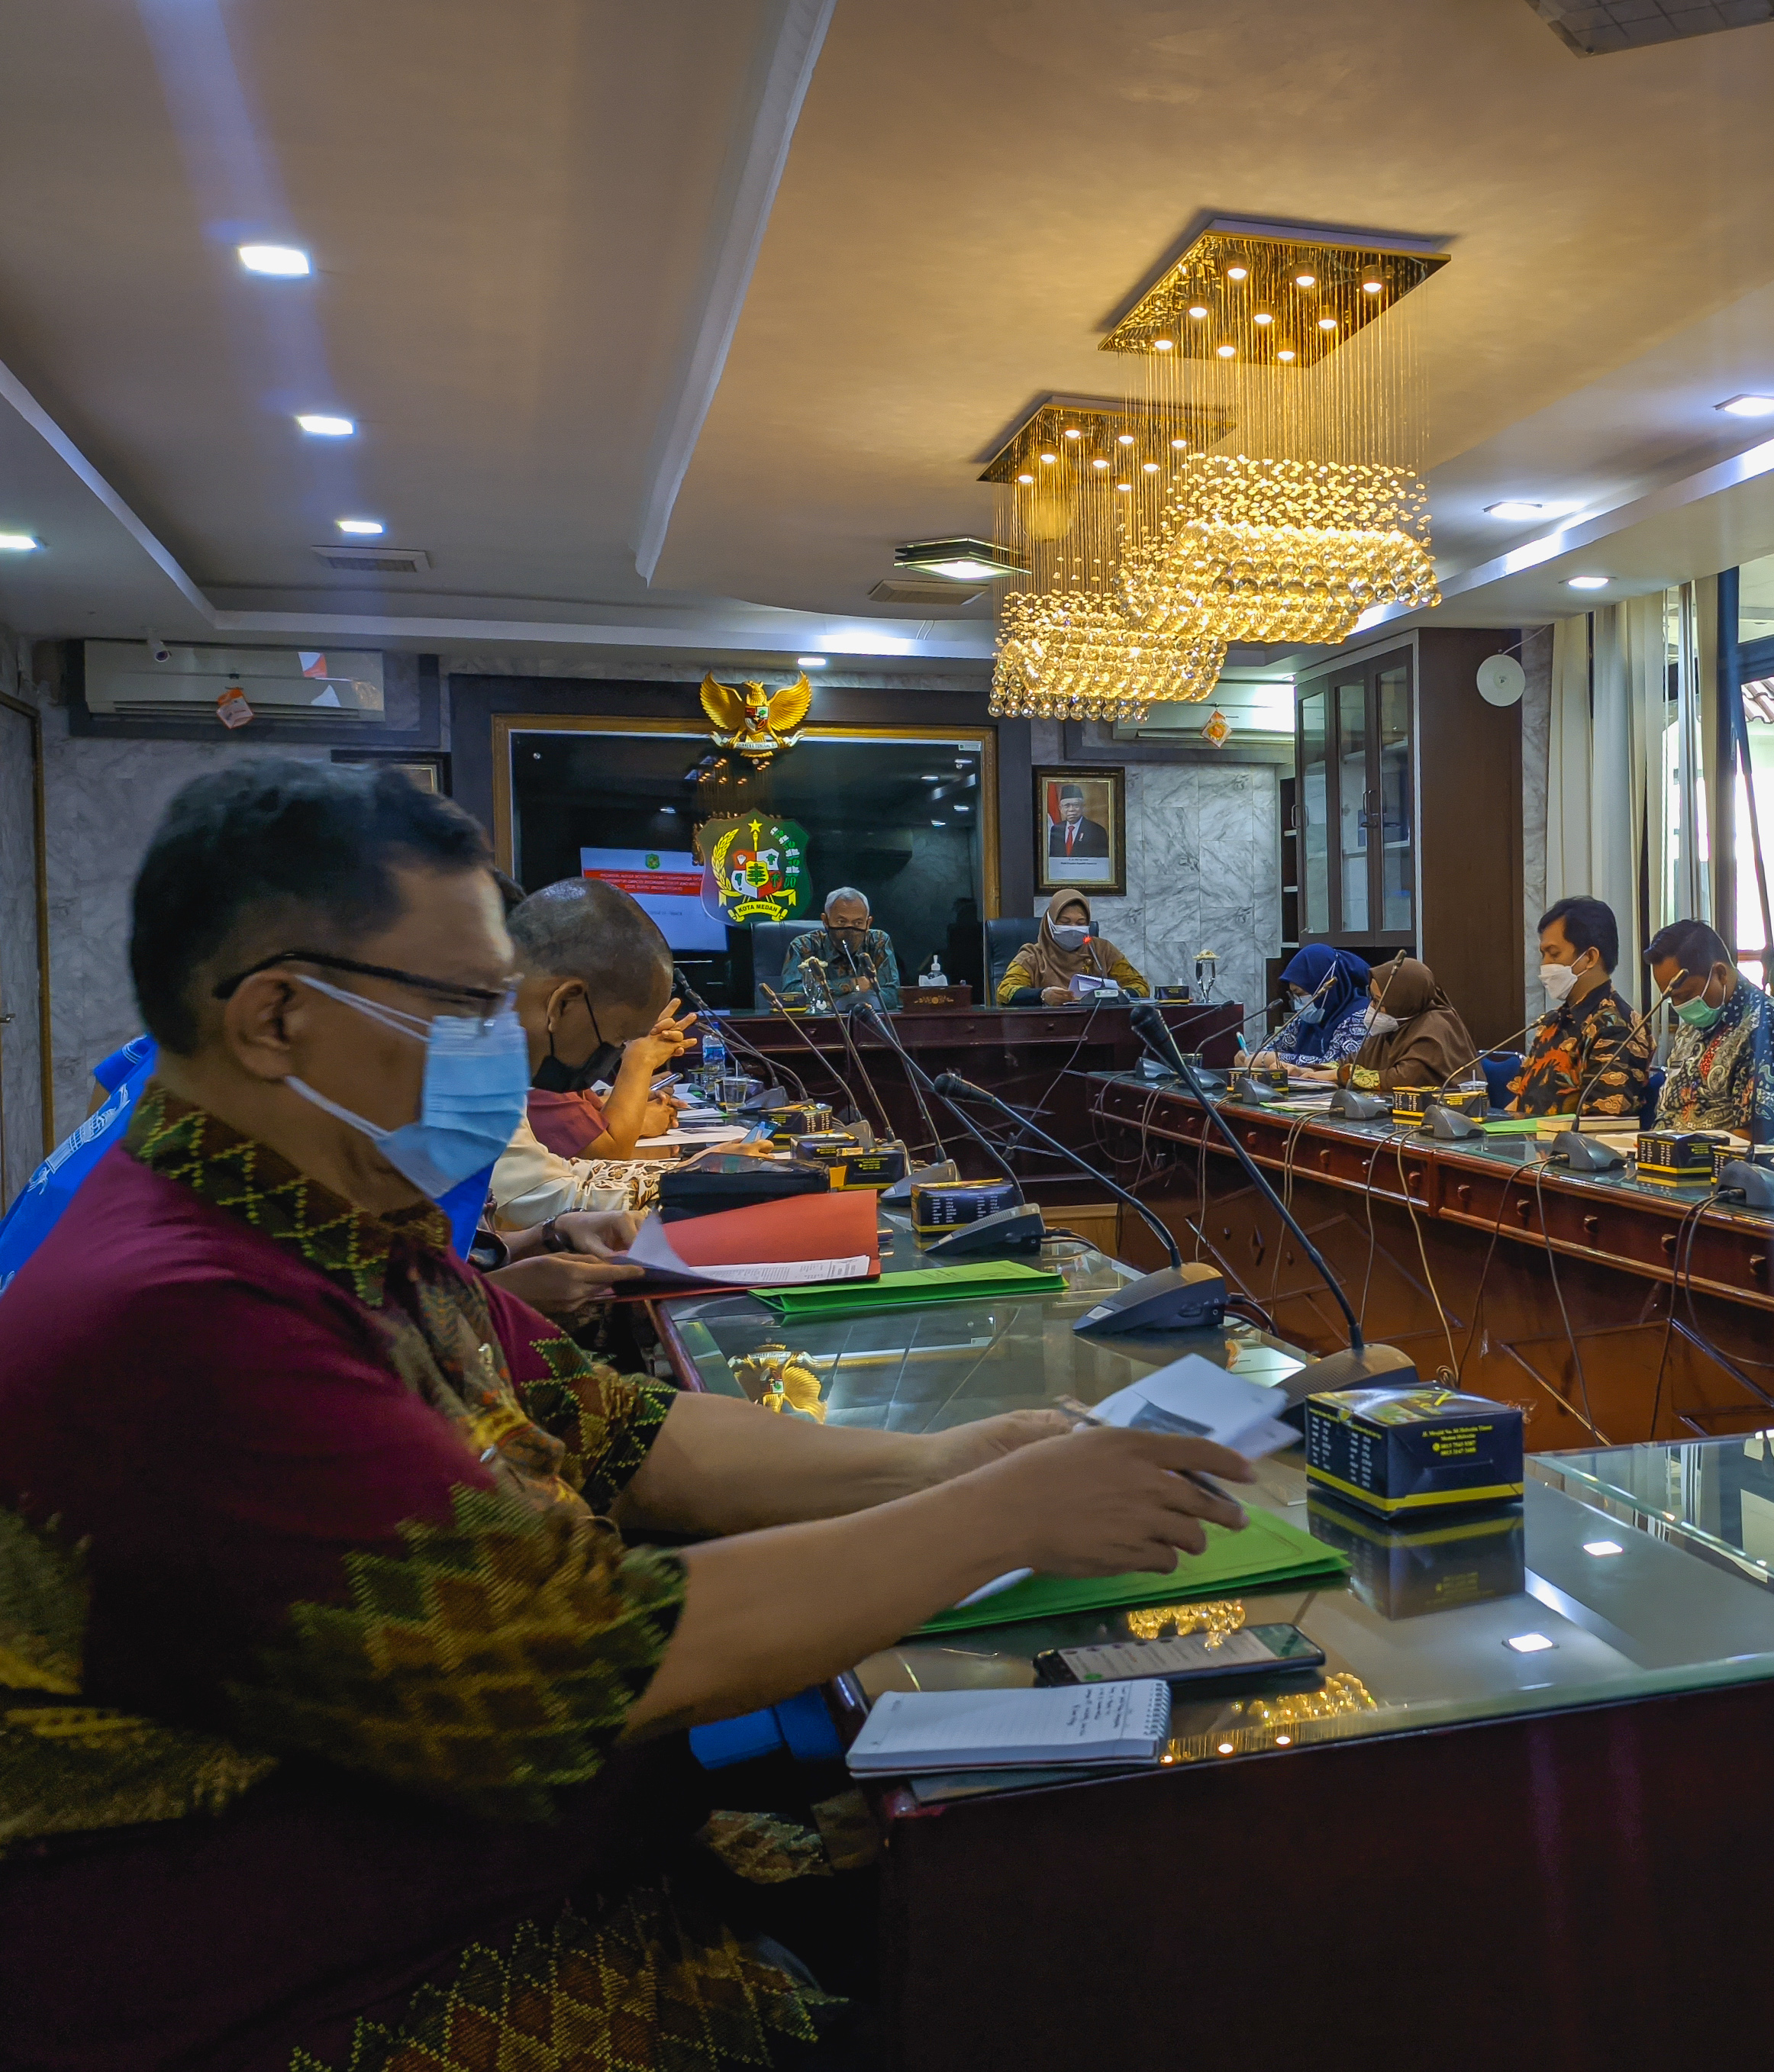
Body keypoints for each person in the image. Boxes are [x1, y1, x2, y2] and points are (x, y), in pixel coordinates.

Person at [0, 761, 1256, 2068]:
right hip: (350, 1994)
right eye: (465, 1004)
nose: (508, 1034)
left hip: (522, 1886)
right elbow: (576, 1662)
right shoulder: (180, 1316)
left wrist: (938, 1461)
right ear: (273, 1017)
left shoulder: (335, 1219)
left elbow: (619, 1428)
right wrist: (985, 1519)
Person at [514, 876, 695, 1159]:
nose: (612, 1055)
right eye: (619, 1038)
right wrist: (640, 1060)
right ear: (563, 1004)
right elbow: (584, 1175)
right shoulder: (510, 1071)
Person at [1646, 918, 1774, 1142]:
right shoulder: (1694, 1023)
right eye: (1671, 999)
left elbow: (1752, 1137)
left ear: (1720, 974)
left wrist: (1679, 1153)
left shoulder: (1767, 1027)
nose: (1681, 1006)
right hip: (1669, 1160)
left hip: (1730, 1170)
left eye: (1685, 995)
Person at [1508, 897, 1650, 1119]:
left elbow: (1601, 1122)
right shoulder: (1552, 1022)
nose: (1545, 965)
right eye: (1543, 954)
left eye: (1554, 954)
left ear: (1590, 958)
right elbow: (1517, 1106)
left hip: (1571, 1152)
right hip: (1528, 1149)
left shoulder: (1616, 1027)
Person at [1344, 954, 1478, 1092]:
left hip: (1451, 1111)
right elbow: (1355, 1060)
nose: (1372, 1006)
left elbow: (1402, 1079)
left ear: (1402, 1002)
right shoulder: (1397, 1023)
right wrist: (1322, 1070)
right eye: (1372, 998)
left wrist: (1341, 1075)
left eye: (1379, 1002)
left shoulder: (1435, 1028)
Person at [996, 888, 1149, 1004]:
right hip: (1048, 1031)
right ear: (1050, 923)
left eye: (1081, 923)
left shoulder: (1102, 950)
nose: (1073, 928)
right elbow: (1005, 991)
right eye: (1065, 922)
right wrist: (1043, 995)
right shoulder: (1032, 955)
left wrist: (1122, 994)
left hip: (1097, 1028)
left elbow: (1140, 986)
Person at [1243, 942, 1372, 1079]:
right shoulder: (1307, 1018)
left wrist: (1273, 1059)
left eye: (1300, 994)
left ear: (1326, 987)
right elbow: (1273, 1048)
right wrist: (1250, 1057)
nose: (1298, 1002)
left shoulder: (1360, 1018)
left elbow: (1339, 1065)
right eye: (1293, 995)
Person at [777, 885, 900, 1005]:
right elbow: (791, 995)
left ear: (868, 923)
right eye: (841, 922)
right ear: (825, 921)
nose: (849, 930)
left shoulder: (878, 942)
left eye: (858, 923)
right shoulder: (804, 946)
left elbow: (892, 995)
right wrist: (852, 985)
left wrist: (832, 996)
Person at [1048, 781, 1110, 860]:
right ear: (1061, 809)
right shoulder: (1055, 830)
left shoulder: (1097, 831)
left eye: (1076, 805)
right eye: (1067, 806)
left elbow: (1102, 861)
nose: (1071, 810)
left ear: (1082, 807)